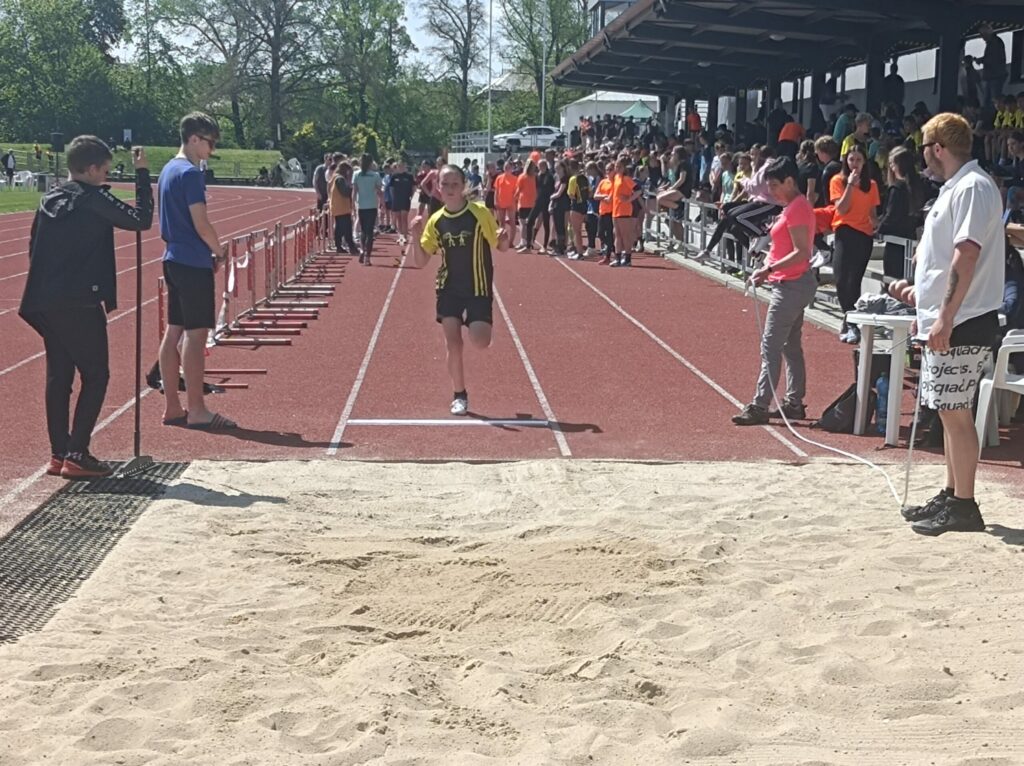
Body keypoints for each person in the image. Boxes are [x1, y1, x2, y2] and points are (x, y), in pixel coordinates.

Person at [18, 137, 153, 478]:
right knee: (96, 375)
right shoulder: (94, 199)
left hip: (43, 300)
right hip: (79, 300)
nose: (106, 177)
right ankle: (77, 453)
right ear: (92, 169)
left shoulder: (49, 198)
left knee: (59, 375)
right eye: (105, 171)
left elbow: (33, 247)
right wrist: (142, 174)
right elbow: (141, 219)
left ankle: (59, 452)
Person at [900, 113, 1004, 536]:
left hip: (965, 317)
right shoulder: (957, 188)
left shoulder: (973, 187)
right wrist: (927, 312)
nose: (923, 156)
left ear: (938, 149)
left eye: (925, 148)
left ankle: (964, 504)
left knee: (956, 412)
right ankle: (952, 492)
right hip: (949, 318)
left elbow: (967, 254)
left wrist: (944, 316)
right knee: (947, 409)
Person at [408, 165, 511, 415]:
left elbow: (500, 246)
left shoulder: (479, 213)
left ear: (463, 186)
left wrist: (504, 238)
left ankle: (477, 322)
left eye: (455, 184)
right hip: (448, 288)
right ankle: (459, 395)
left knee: (480, 341)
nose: (450, 189)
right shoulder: (436, 221)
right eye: (445, 184)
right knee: (453, 344)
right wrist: (415, 236)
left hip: (478, 286)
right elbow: (420, 262)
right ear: (438, 188)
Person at [158, 112, 235, 431]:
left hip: (173, 257)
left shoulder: (167, 170)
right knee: (195, 333)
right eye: (209, 143)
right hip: (192, 260)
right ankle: (197, 409)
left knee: (173, 331)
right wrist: (219, 251)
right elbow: (201, 223)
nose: (211, 150)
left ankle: (172, 406)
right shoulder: (190, 174)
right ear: (193, 139)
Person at [731, 157, 817, 426]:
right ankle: (794, 402)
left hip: (792, 285)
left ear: (790, 181)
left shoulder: (797, 208)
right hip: (791, 282)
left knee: (771, 346)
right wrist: (767, 266)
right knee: (790, 347)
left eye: (775, 186)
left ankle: (760, 405)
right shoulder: (792, 207)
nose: (771, 192)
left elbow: (801, 252)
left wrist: (769, 269)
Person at [830, 144, 881, 344]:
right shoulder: (838, 180)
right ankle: (849, 320)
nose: (855, 164)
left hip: (864, 236)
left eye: (859, 160)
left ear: (864, 162)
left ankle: (851, 322)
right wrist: (850, 185)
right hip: (844, 232)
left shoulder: (872, 185)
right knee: (841, 278)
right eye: (851, 159)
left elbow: (872, 213)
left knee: (854, 280)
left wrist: (878, 224)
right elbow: (841, 209)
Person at [877, 146, 926, 278]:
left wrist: (878, 230)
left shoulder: (896, 188)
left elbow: (891, 215)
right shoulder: (921, 184)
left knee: (893, 279)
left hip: (895, 241)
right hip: (912, 236)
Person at [351, 154, 383, 265]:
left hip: (361, 205)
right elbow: (379, 191)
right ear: (371, 163)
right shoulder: (375, 175)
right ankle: (367, 256)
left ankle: (362, 250)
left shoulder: (356, 174)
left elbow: (354, 191)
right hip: (372, 205)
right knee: (370, 232)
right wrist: (383, 203)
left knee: (363, 231)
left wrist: (352, 204)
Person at [330, 160, 358, 255]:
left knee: (341, 227)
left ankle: (341, 246)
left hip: (339, 207)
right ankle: (350, 246)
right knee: (346, 228)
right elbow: (345, 192)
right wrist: (352, 188)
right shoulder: (340, 179)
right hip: (342, 207)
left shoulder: (335, 177)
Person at [979, 23, 1008, 103]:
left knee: (993, 100)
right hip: (994, 75)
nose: (981, 37)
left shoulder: (994, 42)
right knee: (990, 99)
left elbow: (993, 59)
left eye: (982, 34)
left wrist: (981, 60)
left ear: (986, 33)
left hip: (995, 75)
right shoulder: (995, 42)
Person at [389, 159, 415, 247]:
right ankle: (401, 236)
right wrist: (393, 198)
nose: (400, 167)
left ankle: (405, 235)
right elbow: (391, 188)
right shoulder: (394, 176)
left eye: (402, 166)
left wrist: (411, 196)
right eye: (399, 166)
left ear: (405, 166)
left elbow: (413, 187)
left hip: (405, 199)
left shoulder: (409, 176)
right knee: (398, 218)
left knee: (404, 217)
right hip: (397, 199)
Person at [515, 160, 538, 251]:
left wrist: (515, 198)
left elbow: (518, 189)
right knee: (528, 224)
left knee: (524, 224)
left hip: (525, 202)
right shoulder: (534, 177)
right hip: (529, 203)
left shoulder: (523, 177)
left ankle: (524, 241)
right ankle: (528, 241)